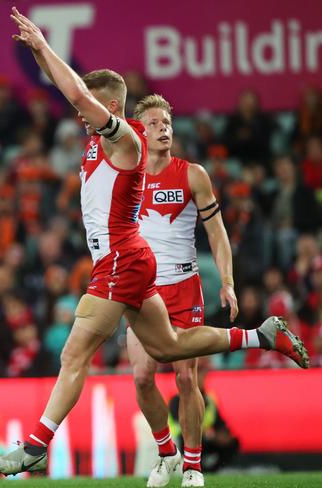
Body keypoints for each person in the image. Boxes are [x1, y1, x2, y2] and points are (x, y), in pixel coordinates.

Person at [0, 7, 308, 476]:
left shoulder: (126, 143)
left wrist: (41, 44)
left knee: (74, 354)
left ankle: (36, 445)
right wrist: (43, 62)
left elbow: (73, 89)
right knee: (171, 347)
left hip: (119, 260)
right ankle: (262, 335)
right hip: (131, 259)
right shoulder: (96, 138)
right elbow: (67, 88)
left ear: (109, 108)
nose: (78, 111)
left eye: (88, 106)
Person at [130, 94, 238, 488]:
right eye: (154, 123)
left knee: (186, 380)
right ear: (139, 131)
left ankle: (193, 467)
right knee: (141, 378)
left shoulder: (192, 174)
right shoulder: (126, 175)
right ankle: (166, 455)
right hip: (139, 290)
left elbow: (217, 232)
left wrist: (227, 282)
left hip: (183, 287)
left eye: (167, 122)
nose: (164, 129)